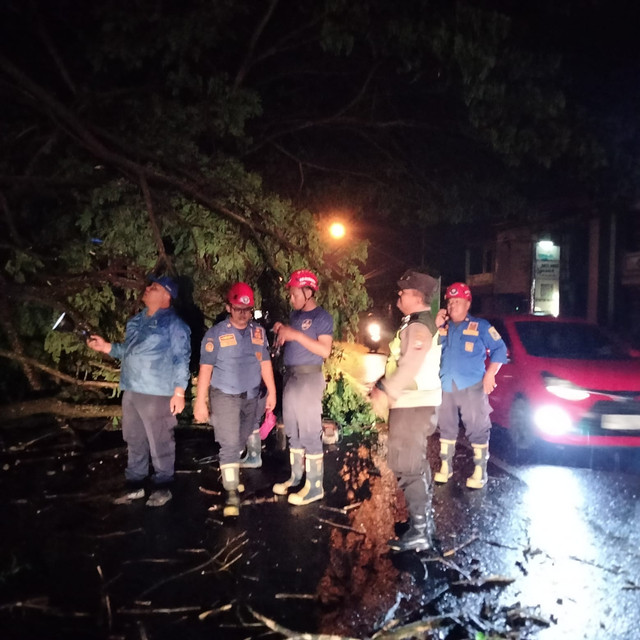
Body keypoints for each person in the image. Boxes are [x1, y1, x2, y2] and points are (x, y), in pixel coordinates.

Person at [87, 276, 191, 507]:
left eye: (153, 288)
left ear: (167, 295)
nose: (146, 289)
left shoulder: (174, 324)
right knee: (134, 438)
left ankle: (164, 486)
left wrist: (179, 392)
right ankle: (135, 484)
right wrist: (106, 347)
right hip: (132, 389)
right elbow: (128, 351)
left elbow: (181, 358)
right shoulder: (135, 321)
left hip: (157, 392)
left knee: (160, 440)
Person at [369, 269, 442, 553]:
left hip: (413, 404)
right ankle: (423, 523)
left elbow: (411, 363)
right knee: (413, 462)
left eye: (403, 291)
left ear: (416, 296)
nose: (399, 295)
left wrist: (387, 391)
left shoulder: (419, 326)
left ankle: (421, 531)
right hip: (413, 402)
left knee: (406, 464)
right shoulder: (414, 323)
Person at [193, 282, 276, 517]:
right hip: (224, 396)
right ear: (228, 307)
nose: (243, 314)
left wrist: (272, 391)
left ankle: (231, 473)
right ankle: (231, 493)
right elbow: (206, 368)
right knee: (229, 445)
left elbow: (265, 362)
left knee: (241, 439)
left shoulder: (257, 332)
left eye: (247, 310)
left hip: (251, 396)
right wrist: (201, 401)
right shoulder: (216, 334)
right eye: (238, 308)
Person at [434, 282, 508, 489]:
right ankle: (445, 466)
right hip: (447, 384)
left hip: (472, 386)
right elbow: (432, 351)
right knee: (446, 427)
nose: (452, 306)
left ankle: (480, 470)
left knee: (477, 427)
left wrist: (490, 375)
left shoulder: (481, 326)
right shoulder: (444, 328)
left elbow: (500, 350)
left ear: (468, 304)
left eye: (457, 302)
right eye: (449, 302)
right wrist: (436, 326)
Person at [271, 269, 333, 506]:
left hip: (309, 378)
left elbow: (324, 351)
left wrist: (295, 335)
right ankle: (297, 477)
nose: (291, 298)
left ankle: (315, 485)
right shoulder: (295, 315)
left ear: (308, 292)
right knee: (293, 430)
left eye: (294, 293)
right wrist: (283, 329)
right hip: (292, 377)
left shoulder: (322, 318)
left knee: (309, 430)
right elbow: (295, 335)